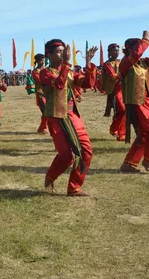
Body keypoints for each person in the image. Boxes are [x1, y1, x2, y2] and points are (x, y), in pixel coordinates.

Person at [40, 40, 98, 196]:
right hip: (57, 119)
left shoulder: (70, 71)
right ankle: (50, 176)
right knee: (66, 157)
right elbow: (59, 84)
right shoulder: (45, 72)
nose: (63, 53)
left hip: (73, 117)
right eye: (59, 51)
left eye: (63, 51)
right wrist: (66, 64)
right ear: (49, 55)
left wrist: (88, 63)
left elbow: (87, 84)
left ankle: (74, 187)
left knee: (86, 152)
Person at [119, 30, 149, 173]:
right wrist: (145, 39)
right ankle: (148, 160)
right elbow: (136, 55)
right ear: (127, 50)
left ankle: (129, 164)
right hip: (136, 104)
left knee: (145, 134)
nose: (137, 49)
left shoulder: (143, 63)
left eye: (138, 46)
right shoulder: (125, 63)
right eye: (135, 47)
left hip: (146, 102)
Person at [102, 43, 125, 141]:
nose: (116, 52)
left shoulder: (121, 61)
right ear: (109, 52)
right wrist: (124, 74)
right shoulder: (107, 64)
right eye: (114, 50)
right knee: (121, 110)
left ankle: (121, 133)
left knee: (124, 111)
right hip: (114, 90)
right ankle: (114, 129)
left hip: (124, 89)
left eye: (117, 50)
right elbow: (113, 76)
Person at [31, 54, 48, 134]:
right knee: (45, 111)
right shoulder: (35, 71)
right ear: (37, 61)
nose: (43, 61)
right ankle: (42, 128)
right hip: (40, 93)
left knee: (50, 111)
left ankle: (44, 127)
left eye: (43, 59)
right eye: (41, 60)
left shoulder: (47, 69)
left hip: (48, 93)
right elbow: (40, 80)